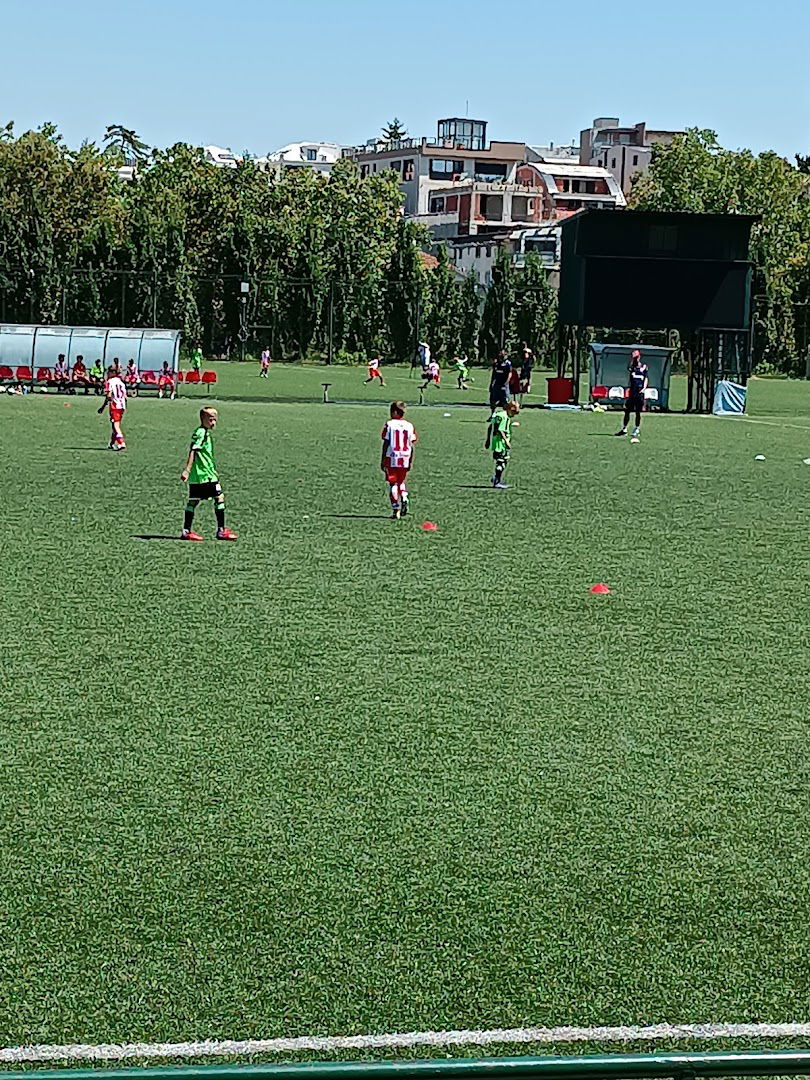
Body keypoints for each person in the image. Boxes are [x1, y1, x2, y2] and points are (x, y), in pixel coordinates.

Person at [180, 407, 238, 541]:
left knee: (193, 501)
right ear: (203, 419)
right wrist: (187, 469)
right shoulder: (202, 433)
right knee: (219, 498)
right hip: (205, 475)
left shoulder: (202, 432)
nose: (213, 422)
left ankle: (186, 531)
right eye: (210, 419)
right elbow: (193, 450)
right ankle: (221, 531)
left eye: (215, 420)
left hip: (199, 475)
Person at [381, 400, 417, 521]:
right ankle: (405, 496)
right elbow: (412, 445)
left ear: (395, 412)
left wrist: (382, 459)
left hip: (392, 456)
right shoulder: (409, 425)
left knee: (393, 483)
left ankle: (396, 509)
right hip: (405, 457)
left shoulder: (389, 424)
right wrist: (411, 460)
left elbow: (386, 442)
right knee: (401, 482)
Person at [615, 349, 649, 440]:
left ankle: (637, 428)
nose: (636, 359)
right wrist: (633, 361)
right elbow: (630, 368)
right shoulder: (632, 367)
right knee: (627, 411)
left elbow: (646, 378)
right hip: (632, 392)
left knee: (638, 412)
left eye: (637, 357)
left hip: (640, 392)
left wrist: (644, 388)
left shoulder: (644, 367)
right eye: (635, 358)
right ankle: (624, 429)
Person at [485, 400, 519, 489]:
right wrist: (506, 441)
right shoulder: (504, 417)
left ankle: (496, 478)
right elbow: (500, 430)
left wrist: (488, 440)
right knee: (501, 462)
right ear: (510, 409)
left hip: (495, 442)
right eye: (515, 412)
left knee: (502, 460)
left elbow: (490, 427)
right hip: (500, 443)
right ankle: (497, 481)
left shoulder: (498, 415)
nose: (514, 415)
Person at [98, 364, 127, 451]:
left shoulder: (110, 382)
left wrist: (103, 406)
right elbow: (125, 396)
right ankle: (112, 443)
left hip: (115, 405)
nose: (107, 374)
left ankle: (121, 443)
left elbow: (109, 396)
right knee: (114, 424)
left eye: (109, 372)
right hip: (122, 406)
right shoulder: (121, 382)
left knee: (116, 425)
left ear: (113, 372)